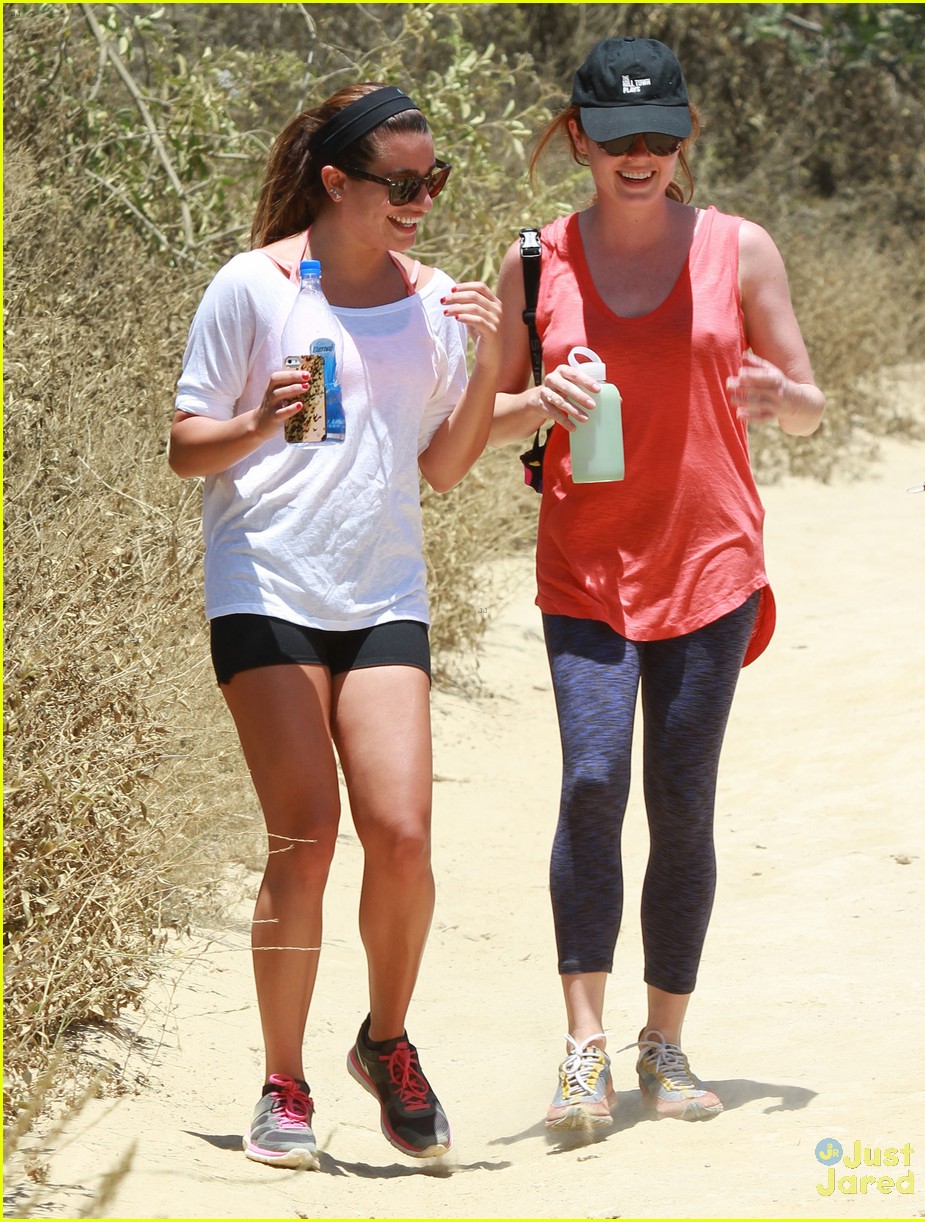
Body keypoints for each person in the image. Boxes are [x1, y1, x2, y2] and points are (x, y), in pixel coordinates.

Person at [490, 37, 825, 1134]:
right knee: (590, 778)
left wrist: (779, 394)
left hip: (709, 562)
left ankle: (663, 1042)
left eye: (660, 136)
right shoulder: (533, 262)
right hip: (583, 565)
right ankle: (582, 1044)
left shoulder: (741, 249)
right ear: (575, 136)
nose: (640, 156)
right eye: (617, 137)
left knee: (680, 805)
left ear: (684, 137)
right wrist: (533, 400)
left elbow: (807, 405)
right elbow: (479, 424)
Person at [168, 83, 501, 1169]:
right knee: (305, 836)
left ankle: (384, 1040)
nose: (421, 201)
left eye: (433, 181)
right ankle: (282, 1082)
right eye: (401, 184)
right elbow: (185, 448)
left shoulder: (436, 301)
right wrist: (257, 419)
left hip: (382, 592)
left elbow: (442, 469)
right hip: (264, 579)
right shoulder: (254, 288)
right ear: (335, 182)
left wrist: (494, 361)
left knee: (401, 835)